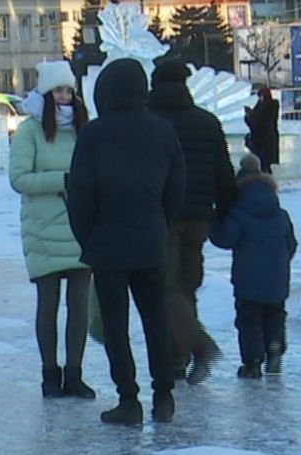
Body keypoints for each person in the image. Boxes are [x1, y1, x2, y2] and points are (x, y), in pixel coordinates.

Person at [67, 59, 186, 425]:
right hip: (150, 240)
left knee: (116, 328)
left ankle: (129, 400)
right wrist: (160, 224)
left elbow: (80, 195)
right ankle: (163, 396)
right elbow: (176, 186)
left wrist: (89, 238)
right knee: (156, 321)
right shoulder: (162, 130)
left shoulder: (93, 134)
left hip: (108, 245)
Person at [148, 60, 238, 385]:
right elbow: (223, 172)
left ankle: (197, 348)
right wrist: (224, 210)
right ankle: (178, 359)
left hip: (163, 215)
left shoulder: (149, 121)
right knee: (186, 286)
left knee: (165, 288)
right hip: (200, 216)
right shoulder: (206, 122)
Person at [8, 60, 95, 399]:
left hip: (80, 228)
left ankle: (74, 374)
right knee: (48, 304)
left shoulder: (83, 129)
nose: (64, 97)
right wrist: (63, 180)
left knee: (80, 306)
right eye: (58, 90)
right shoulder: (30, 131)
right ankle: (49, 375)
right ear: (45, 93)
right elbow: (19, 178)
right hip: (43, 229)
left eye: (68, 91)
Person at [209, 153, 297, 379]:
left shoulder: (239, 215)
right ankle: (275, 346)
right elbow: (291, 245)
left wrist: (214, 220)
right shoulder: (281, 215)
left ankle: (253, 363)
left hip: (248, 279)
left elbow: (225, 239)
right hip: (277, 277)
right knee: (275, 314)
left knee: (250, 321)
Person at [243, 87, 279, 174]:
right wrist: (248, 115)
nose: (260, 98)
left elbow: (263, 119)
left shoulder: (272, 104)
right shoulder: (259, 105)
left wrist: (251, 114)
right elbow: (254, 121)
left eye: (261, 96)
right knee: (260, 160)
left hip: (268, 138)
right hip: (258, 138)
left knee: (267, 161)